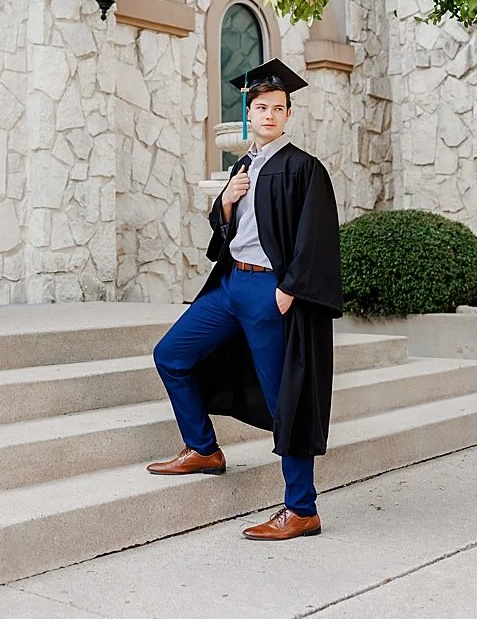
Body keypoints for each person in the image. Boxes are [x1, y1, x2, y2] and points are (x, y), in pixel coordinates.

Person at [146, 59, 343, 541]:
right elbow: (225, 231)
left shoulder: (303, 168)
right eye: (261, 107)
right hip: (230, 284)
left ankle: (302, 509)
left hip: (272, 293)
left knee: (286, 401)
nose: (270, 115)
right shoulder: (242, 166)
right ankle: (203, 449)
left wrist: (288, 290)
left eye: (278, 108)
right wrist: (227, 202)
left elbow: (316, 238)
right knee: (172, 355)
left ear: (288, 115)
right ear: (248, 115)